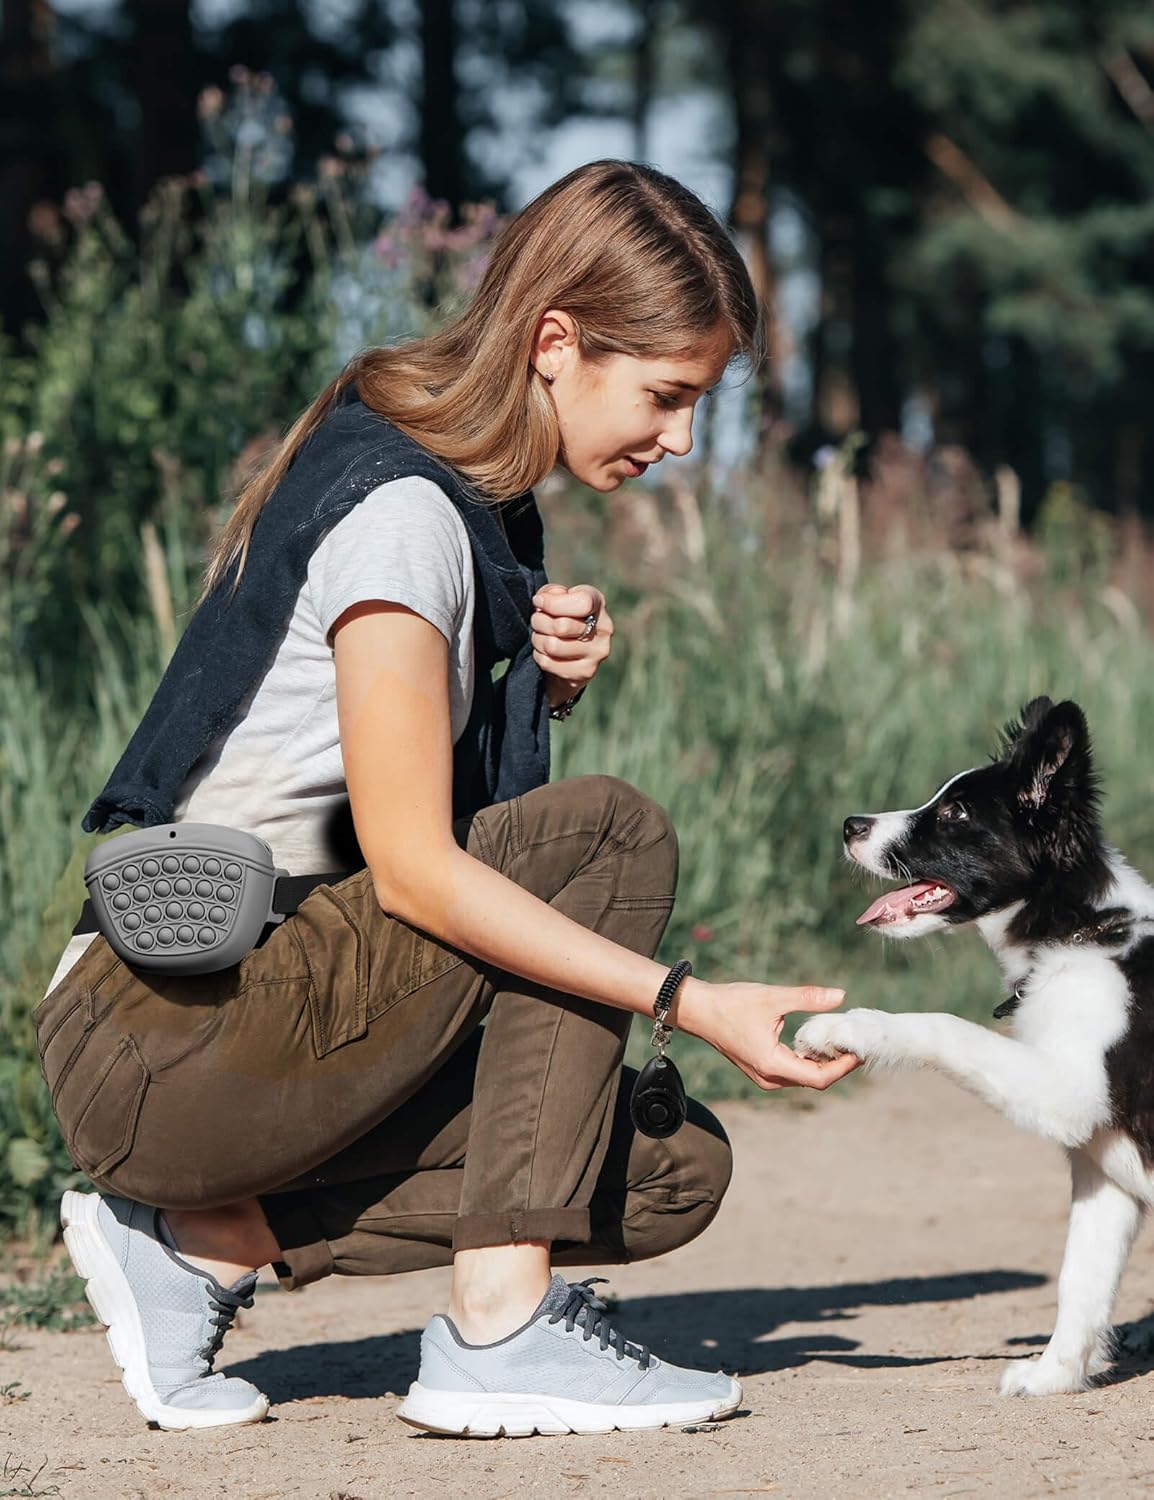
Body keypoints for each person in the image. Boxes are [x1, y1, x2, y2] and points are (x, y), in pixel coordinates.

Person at [34, 158, 859, 1440]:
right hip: (161, 1029)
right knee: (608, 832)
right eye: (665, 394)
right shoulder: (408, 517)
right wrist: (688, 1002)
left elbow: (370, 824)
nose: (682, 439)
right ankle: (501, 1330)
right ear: (553, 341)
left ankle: (206, 1239)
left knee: (663, 1173)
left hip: (249, 1023)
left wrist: (531, 684)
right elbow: (416, 872)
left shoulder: (466, 512)